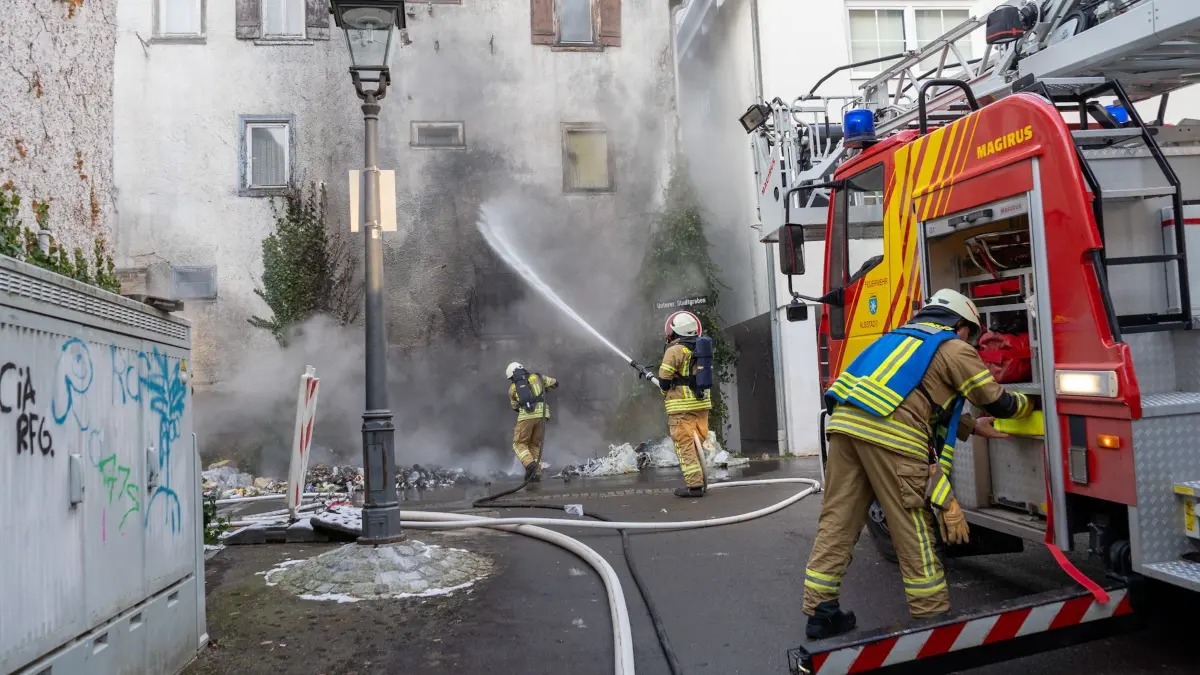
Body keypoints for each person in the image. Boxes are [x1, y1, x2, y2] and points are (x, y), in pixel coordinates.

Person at [803, 289, 1035, 639]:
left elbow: (915, 395)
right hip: (891, 436)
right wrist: (1031, 406)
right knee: (912, 525)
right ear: (960, 325)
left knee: (837, 520)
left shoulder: (896, 339)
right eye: (971, 333)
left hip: (844, 428)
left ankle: (821, 612)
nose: (970, 340)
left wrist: (972, 427)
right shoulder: (952, 347)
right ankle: (932, 619)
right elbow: (996, 401)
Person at [656, 311, 711, 498]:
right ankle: (701, 480)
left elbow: (664, 379)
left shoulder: (675, 350)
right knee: (697, 447)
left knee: (685, 446)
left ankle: (694, 486)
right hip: (702, 405)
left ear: (676, 332)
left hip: (681, 408)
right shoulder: (703, 349)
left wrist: (665, 391)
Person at [506, 362, 558, 482]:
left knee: (518, 443)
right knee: (534, 445)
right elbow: (555, 383)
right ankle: (535, 474)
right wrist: (543, 388)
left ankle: (530, 465)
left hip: (526, 416)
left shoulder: (512, 389)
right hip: (543, 416)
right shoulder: (538, 377)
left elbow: (515, 407)